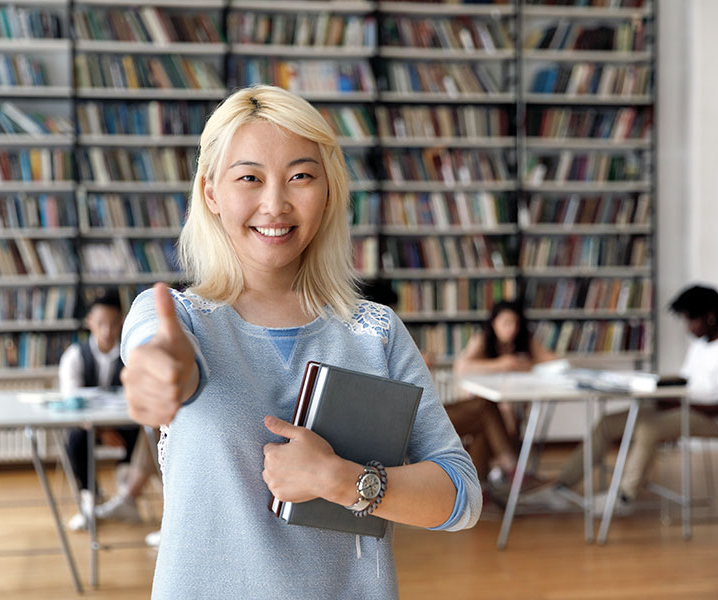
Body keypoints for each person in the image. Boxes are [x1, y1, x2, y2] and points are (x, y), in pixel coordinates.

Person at [119, 85, 481, 599]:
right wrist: (160, 370)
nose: (275, 203)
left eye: (301, 176)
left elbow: (460, 496)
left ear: (328, 190)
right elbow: (160, 355)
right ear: (211, 193)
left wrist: (343, 481)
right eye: (249, 177)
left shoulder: (374, 332)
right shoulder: (180, 320)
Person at [546, 284, 718, 515]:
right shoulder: (700, 345)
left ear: (710, 317)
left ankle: (624, 496)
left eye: (690, 320)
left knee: (648, 428)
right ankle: (560, 487)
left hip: (714, 420)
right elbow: (687, 381)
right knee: (608, 423)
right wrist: (655, 386)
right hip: (683, 407)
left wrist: (679, 403)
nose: (687, 327)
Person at [59, 291, 155, 530]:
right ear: (90, 322)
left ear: (122, 322)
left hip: (124, 424)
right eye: (101, 323)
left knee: (143, 435)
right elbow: (71, 398)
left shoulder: (132, 354)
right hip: (90, 427)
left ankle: (125, 495)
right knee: (76, 440)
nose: (107, 330)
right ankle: (89, 499)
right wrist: (102, 431)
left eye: (113, 323)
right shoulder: (75, 355)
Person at [450, 300, 557, 486]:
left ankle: (484, 485)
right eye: (506, 323)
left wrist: (527, 365)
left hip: (510, 401)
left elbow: (553, 362)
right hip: (487, 401)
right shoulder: (484, 339)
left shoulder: (524, 339)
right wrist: (502, 364)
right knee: (492, 410)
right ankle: (511, 469)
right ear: (494, 323)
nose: (511, 328)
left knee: (501, 415)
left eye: (515, 323)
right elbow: (461, 366)